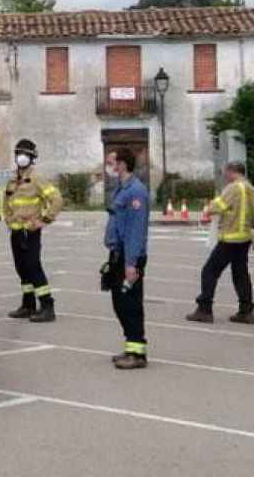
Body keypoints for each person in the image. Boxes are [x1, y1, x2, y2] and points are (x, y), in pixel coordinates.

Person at [187, 159, 254, 324]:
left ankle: (204, 309)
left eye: (226, 172)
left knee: (209, 271)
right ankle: (246, 311)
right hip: (244, 239)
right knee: (241, 274)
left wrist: (208, 211)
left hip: (229, 239)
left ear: (232, 171)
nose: (225, 175)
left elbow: (217, 206)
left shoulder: (233, 188)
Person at [5, 143, 63, 323]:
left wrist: (44, 220)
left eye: (24, 154)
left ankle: (47, 305)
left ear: (31, 157)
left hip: (30, 232)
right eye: (18, 154)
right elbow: (7, 203)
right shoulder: (13, 180)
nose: (21, 157)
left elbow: (56, 199)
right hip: (16, 232)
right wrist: (8, 219)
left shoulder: (37, 178)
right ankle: (28, 304)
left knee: (33, 267)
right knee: (22, 269)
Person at [104, 148, 149, 369]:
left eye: (112, 161)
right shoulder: (122, 189)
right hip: (118, 254)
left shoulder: (136, 192)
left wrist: (131, 264)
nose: (109, 164)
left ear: (122, 164)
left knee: (130, 304)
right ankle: (131, 346)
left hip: (129, 257)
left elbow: (136, 231)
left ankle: (137, 353)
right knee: (119, 303)